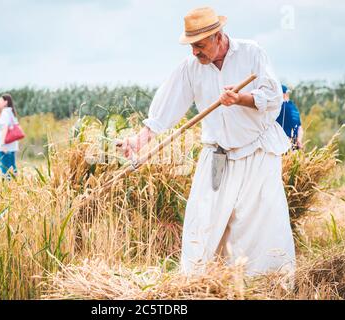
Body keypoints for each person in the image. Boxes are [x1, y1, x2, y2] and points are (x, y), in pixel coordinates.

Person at [118, 7, 295, 277]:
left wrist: (241, 98)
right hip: (218, 155)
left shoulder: (252, 53)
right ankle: (199, 283)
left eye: (199, 45)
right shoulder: (191, 68)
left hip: (258, 152)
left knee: (258, 224)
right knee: (203, 219)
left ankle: (263, 285)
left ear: (218, 37)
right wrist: (139, 140)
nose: (194, 52)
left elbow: (272, 98)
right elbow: (165, 110)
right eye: (191, 46)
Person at [0, 94, 20, 176]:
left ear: (5, 102)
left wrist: (2, 144)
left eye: (0, 100)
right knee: (12, 168)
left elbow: (5, 128)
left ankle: (9, 187)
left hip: (5, 147)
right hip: (11, 146)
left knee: (6, 170)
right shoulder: (10, 112)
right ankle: (17, 186)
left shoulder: (5, 113)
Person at [276, 85, 304, 150]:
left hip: (281, 144)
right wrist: (299, 141)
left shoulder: (278, 107)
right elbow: (300, 128)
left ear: (282, 94)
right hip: (294, 145)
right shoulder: (294, 108)